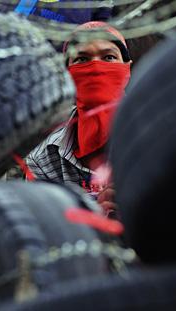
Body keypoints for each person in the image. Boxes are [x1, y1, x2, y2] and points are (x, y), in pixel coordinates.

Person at [26, 21, 132, 213]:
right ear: (67, 73)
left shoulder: (161, 135)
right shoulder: (44, 155)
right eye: (82, 59)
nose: (96, 68)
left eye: (108, 57)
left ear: (127, 69)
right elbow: (43, 224)